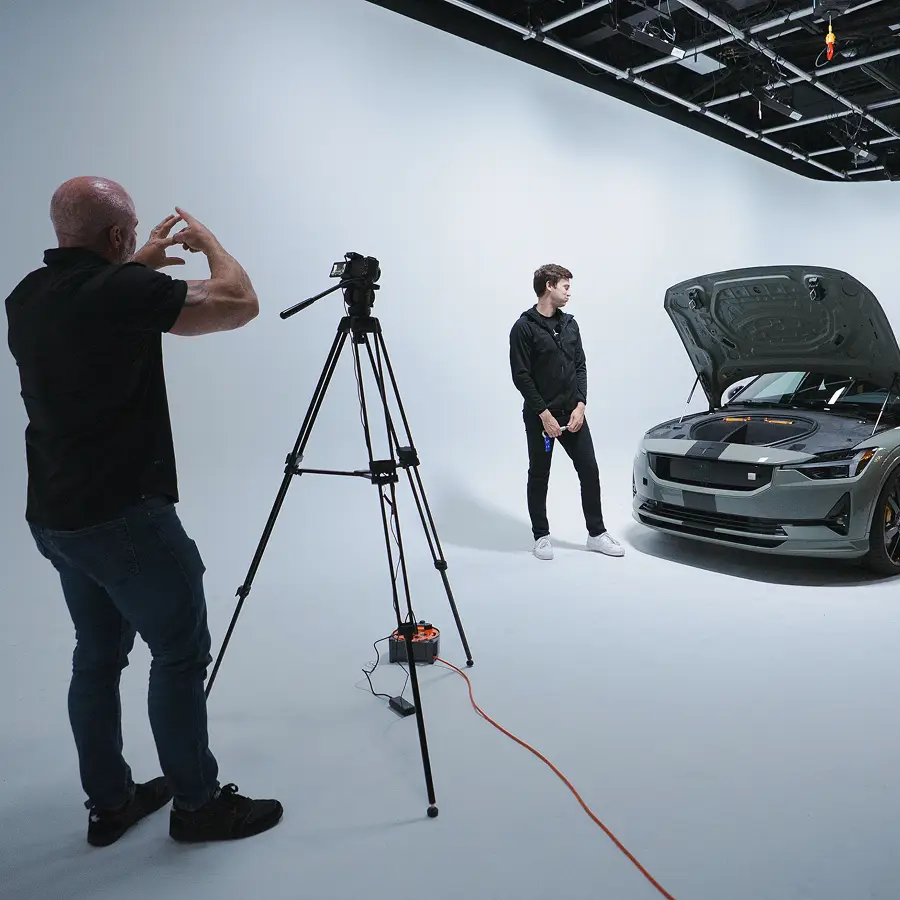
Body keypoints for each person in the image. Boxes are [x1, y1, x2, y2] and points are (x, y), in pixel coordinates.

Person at [4, 176, 283, 846]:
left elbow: (98, 300)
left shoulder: (28, 294)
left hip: (56, 519)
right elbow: (239, 303)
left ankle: (110, 803)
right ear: (120, 235)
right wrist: (208, 240)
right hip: (125, 521)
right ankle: (198, 805)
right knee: (180, 655)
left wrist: (135, 265)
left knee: (96, 657)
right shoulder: (123, 292)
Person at [509, 263, 624, 561]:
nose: (569, 292)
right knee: (539, 473)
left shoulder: (571, 324)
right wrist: (543, 415)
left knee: (589, 469)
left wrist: (581, 405)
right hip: (541, 418)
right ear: (549, 286)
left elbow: (580, 366)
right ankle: (541, 536)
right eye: (565, 286)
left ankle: (596, 534)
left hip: (573, 414)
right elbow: (521, 376)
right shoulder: (523, 328)